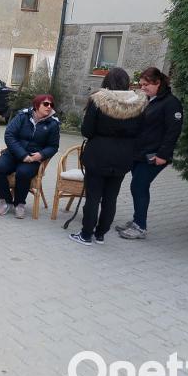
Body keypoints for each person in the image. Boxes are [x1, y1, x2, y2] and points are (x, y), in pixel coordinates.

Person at [69, 68, 146, 246]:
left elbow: (87, 131)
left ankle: (86, 234)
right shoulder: (139, 104)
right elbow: (141, 132)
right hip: (124, 155)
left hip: (99, 153)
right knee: (111, 197)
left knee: (93, 196)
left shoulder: (98, 100)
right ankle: (101, 234)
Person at [116, 67, 183, 239]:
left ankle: (140, 227)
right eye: (141, 84)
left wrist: (162, 155)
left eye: (146, 84)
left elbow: (173, 132)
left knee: (139, 186)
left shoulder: (171, 103)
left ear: (157, 83)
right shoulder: (148, 99)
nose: (143, 87)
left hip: (155, 155)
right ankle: (137, 220)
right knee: (138, 186)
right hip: (139, 153)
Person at [0, 94, 60, 219]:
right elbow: (9, 135)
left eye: (51, 105)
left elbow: (53, 146)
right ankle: (6, 201)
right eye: (45, 104)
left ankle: (19, 204)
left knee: (23, 173)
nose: (49, 107)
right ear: (36, 105)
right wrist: (22, 155)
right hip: (13, 153)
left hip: (33, 157)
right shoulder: (22, 116)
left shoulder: (53, 124)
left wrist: (41, 155)